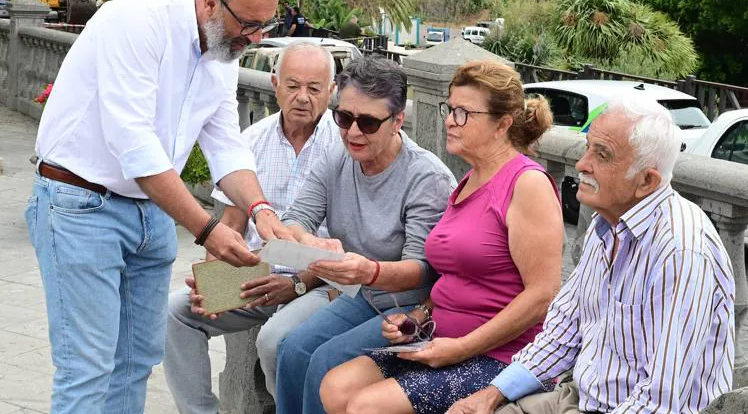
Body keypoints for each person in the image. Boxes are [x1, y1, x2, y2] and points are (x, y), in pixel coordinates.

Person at [25, 0, 290, 414]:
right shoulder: (137, 20)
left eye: (265, 26)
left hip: (150, 213)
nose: (256, 38)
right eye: (248, 25)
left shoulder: (224, 47)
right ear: (211, 3)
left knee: (135, 363)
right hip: (81, 205)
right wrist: (208, 230)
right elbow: (137, 150)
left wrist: (261, 211)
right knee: (87, 369)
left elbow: (225, 142)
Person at [448, 97, 735, 414]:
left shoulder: (680, 251)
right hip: (582, 396)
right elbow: (563, 333)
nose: (582, 164)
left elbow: (659, 400)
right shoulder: (608, 222)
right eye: (588, 147)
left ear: (646, 180)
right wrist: (493, 393)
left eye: (602, 155)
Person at [320, 61, 565, 414]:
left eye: (463, 113)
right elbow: (453, 277)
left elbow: (543, 295)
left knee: (366, 406)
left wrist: (461, 347)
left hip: (498, 357)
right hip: (438, 339)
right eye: (450, 109)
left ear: (503, 125)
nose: (450, 120)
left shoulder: (526, 184)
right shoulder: (469, 181)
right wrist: (419, 316)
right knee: (336, 386)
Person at [273, 56, 457, 414]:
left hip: (409, 307)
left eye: (368, 122)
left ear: (398, 121)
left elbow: (422, 270)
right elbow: (291, 219)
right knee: (288, 347)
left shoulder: (425, 178)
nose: (353, 132)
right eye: (343, 118)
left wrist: (366, 271)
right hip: (345, 288)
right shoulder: (331, 155)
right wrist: (309, 244)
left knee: (322, 360)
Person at [163, 42, 340, 413]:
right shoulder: (248, 142)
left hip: (320, 281)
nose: (302, 97)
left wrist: (299, 281)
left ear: (332, 91)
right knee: (176, 311)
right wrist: (211, 283)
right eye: (292, 86)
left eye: (314, 88)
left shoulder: (344, 146)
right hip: (255, 275)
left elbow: (352, 248)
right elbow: (229, 224)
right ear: (275, 84)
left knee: (277, 340)